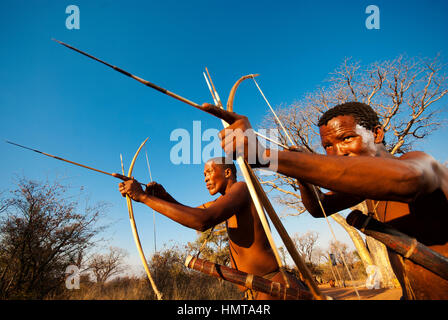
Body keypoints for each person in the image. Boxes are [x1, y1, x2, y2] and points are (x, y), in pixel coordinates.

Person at [214, 101, 448, 300]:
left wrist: (267, 157)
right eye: (328, 146)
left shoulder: (419, 163)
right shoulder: (367, 190)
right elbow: (320, 207)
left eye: (347, 138)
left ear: (377, 134)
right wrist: (301, 175)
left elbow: (407, 181)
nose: (338, 152)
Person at [114, 157, 309, 300]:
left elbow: (201, 220)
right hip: (257, 291)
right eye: (204, 175)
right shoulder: (224, 201)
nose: (205, 178)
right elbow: (193, 214)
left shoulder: (241, 189)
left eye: (209, 172)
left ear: (227, 172)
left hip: (273, 287)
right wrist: (162, 197)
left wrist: (144, 197)